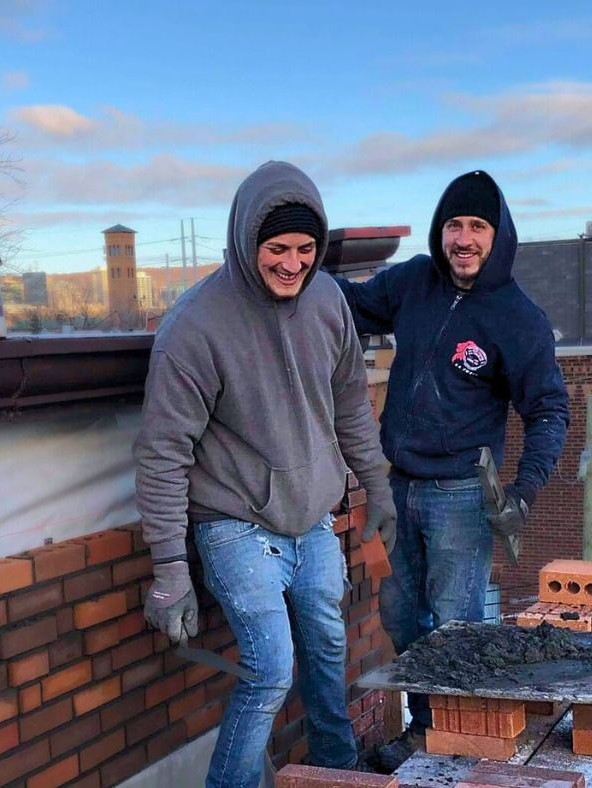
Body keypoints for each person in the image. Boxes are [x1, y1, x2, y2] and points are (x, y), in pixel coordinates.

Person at [133, 161, 397, 788]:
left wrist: (378, 484)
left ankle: (336, 768)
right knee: (272, 668)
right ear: (247, 243)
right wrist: (170, 568)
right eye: (277, 249)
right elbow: (163, 453)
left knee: (328, 647)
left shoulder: (329, 302)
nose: (293, 263)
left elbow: (352, 405)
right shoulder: (195, 328)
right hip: (234, 523)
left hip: (312, 520)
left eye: (306, 249)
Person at [336, 170, 570, 769]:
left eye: (477, 227)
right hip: (398, 486)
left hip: (463, 496)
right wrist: (300, 270)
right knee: (398, 615)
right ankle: (425, 731)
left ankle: (458, 755)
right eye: (454, 225)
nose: (463, 239)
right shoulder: (415, 280)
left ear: (498, 236)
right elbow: (350, 306)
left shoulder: (518, 319)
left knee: (455, 630)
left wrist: (525, 490)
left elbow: (548, 409)